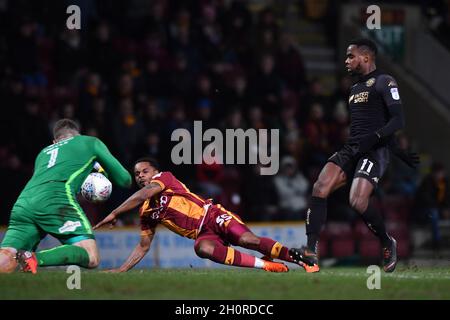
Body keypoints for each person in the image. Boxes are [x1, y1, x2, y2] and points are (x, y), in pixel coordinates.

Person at [289, 39, 419, 273]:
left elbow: (398, 120)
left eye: (351, 56)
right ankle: (310, 251)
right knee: (320, 186)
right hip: (352, 148)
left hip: (375, 150)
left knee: (357, 201)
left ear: (366, 57)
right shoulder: (354, 88)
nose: (347, 60)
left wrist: (392, 148)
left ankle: (387, 242)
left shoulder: (384, 81)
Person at [94, 157, 313, 273]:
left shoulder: (164, 179)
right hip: (204, 233)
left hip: (212, 215)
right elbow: (143, 246)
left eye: (145, 171)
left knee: (249, 240)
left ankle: (300, 258)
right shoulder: (146, 213)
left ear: (154, 172)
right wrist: (121, 270)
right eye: (137, 174)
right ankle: (265, 265)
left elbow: (144, 193)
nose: (141, 176)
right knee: (202, 248)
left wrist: (114, 212)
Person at [0, 119, 132, 273]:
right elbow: (125, 180)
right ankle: (34, 258)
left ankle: (21, 257)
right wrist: (103, 173)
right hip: (56, 198)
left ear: (55, 141)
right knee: (91, 255)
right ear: (78, 135)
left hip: (23, 204)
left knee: (8, 255)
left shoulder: (43, 153)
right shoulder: (89, 142)